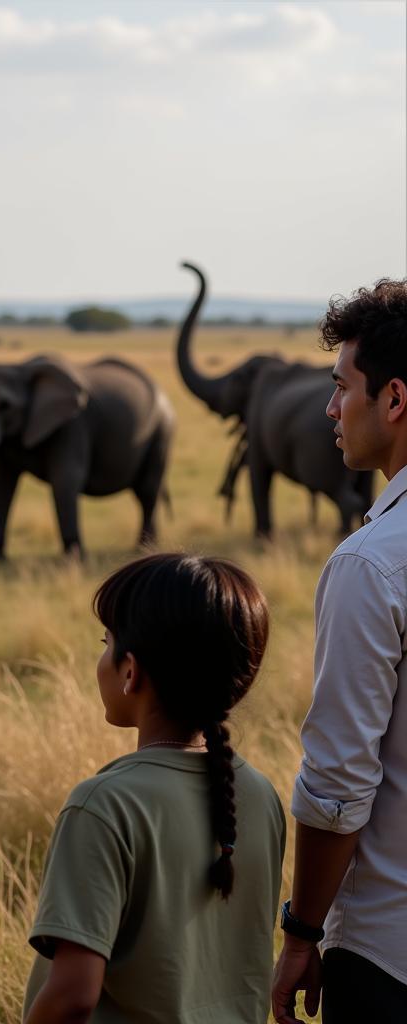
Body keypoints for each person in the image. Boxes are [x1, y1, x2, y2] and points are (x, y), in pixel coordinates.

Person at [23, 553, 286, 1024]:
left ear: (131, 671)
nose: (101, 659)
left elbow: (72, 996)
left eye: (106, 643)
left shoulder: (102, 804)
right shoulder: (260, 794)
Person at [272, 278, 407, 1024]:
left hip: (390, 952)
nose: (330, 408)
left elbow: (337, 785)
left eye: (341, 387)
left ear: (394, 399)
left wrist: (301, 932)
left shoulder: (371, 564)